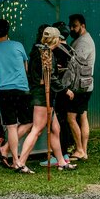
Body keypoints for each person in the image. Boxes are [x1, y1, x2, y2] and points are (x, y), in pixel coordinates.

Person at [15, 26, 77, 173]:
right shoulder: (45, 53)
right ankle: (21, 163)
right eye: (59, 39)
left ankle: (61, 162)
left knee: (55, 129)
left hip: (43, 94)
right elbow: (49, 77)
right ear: (55, 39)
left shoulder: (39, 51)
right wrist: (64, 89)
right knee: (37, 129)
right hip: (42, 96)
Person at [0, 19, 33, 169]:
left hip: (3, 91)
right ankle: (9, 154)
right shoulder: (18, 45)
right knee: (29, 122)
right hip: (21, 88)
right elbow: (26, 68)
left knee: (11, 126)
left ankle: (11, 156)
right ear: (8, 30)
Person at [39, 21, 74, 167]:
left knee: (54, 125)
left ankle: (59, 155)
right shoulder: (69, 49)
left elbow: (50, 76)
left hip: (57, 91)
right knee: (60, 123)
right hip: (63, 89)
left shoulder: (54, 51)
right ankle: (63, 156)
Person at [67, 14, 96, 161]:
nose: (72, 28)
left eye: (75, 25)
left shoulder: (83, 42)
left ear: (83, 26)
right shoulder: (82, 40)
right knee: (83, 116)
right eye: (71, 25)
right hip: (86, 85)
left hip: (79, 87)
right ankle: (84, 150)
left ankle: (79, 149)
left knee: (71, 117)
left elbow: (75, 64)